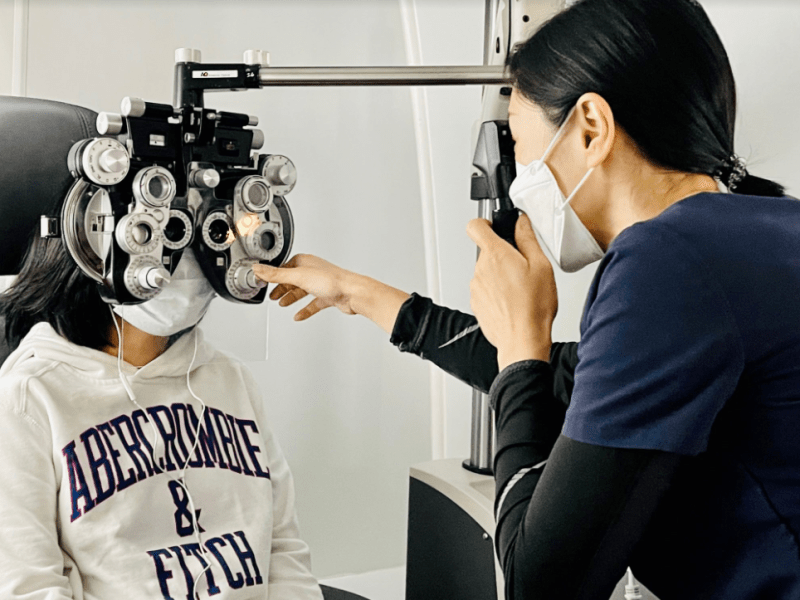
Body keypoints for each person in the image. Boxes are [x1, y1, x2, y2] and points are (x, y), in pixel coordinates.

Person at [253, 0, 800, 598]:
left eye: (518, 141)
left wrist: (519, 354)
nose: (519, 176)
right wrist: (358, 295)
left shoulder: (666, 260)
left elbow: (537, 583)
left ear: (590, 127)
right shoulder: (765, 230)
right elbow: (579, 379)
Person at [0, 219, 323, 596]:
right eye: (164, 233)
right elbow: (28, 586)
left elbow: (283, 551)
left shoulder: (231, 380)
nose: (184, 262)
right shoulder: (29, 397)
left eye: (206, 236)